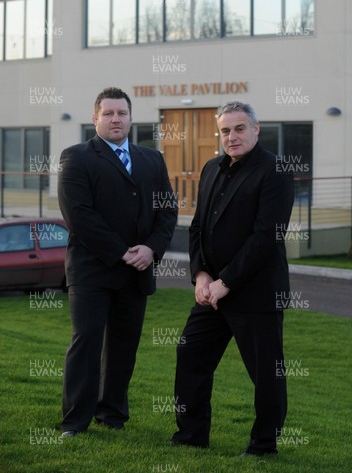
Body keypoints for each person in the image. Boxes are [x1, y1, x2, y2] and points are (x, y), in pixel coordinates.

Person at [170, 101, 294, 457]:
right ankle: (192, 435)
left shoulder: (275, 170)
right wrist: (201, 275)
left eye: (240, 128)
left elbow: (266, 236)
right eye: (225, 130)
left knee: (265, 373)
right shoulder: (211, 168)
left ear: (256, 129)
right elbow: (197, 228)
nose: (232, 136)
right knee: (190, 355)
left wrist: (227, 282)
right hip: (211, 292)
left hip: (255, 293)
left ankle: (263, 446)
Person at [58, 87, 177, 436]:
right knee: (87, 342)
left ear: (130, 117)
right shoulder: (76, 157)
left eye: (121, 113)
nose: (115, 119)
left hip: (136, 271)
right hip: (92, 270)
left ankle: (112, 415)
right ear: (95, 118)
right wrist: (122, 251)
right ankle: (75, 421)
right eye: (108, 113)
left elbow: (168, 210)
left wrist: (150, 250)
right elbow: (79, 215)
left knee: (124, 347)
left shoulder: (152, 159)